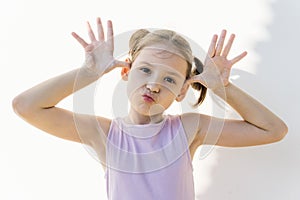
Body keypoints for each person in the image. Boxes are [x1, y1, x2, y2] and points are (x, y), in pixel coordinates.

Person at [12, 17, 288, 200]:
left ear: (182, 90)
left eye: (169, 79)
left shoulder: (189, 128)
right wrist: (88, 74)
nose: (154, 85)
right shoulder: (105, 134)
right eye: (145, 70)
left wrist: (221, 88)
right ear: (126, 72)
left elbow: (273, 130)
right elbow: (26, 106)